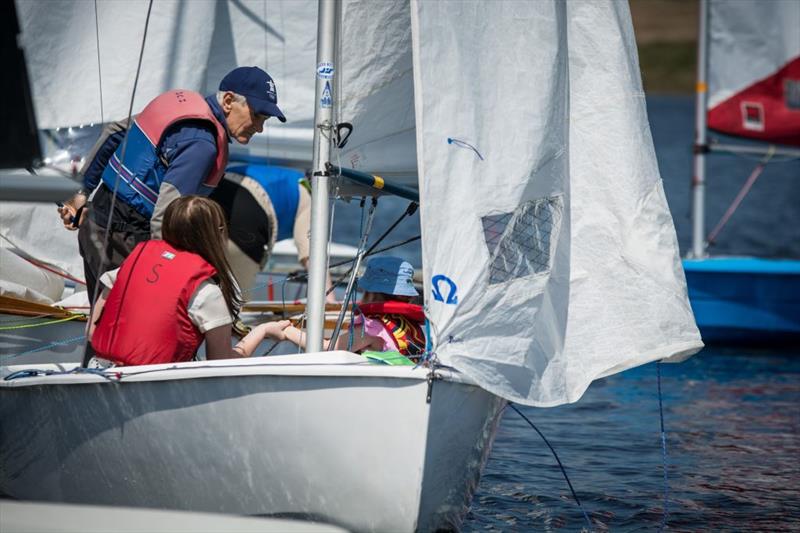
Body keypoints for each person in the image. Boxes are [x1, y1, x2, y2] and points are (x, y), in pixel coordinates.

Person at [57, 66, 287, 301]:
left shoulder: (179, 105)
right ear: (228, 101)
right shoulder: (203, 145)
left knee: (101, 327)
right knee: (130, 331)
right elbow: (165, 218)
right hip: (126, 242)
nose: (259, 128)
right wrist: (163, 277)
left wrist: (81, 192)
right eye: (257, 115)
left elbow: (114, 132)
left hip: (96, 224)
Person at [89, 196, 289, 366]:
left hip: (99, 368)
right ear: (216, 234)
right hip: (154, 386)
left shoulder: (133, 262)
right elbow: (221, 365)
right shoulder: (206, 293)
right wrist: (262, 331)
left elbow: (92, 331)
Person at [209, 165, 335, 302]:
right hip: (248, 213)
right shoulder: (309, 194)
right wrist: (330, 299)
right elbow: (312, 252)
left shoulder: (279, 174)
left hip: (213, 197)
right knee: (235, 304)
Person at [273, 256, 425, 359]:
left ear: (371, 293)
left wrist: (287, 331)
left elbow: (329, 349)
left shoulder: (372, 329)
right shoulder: (410, 327)